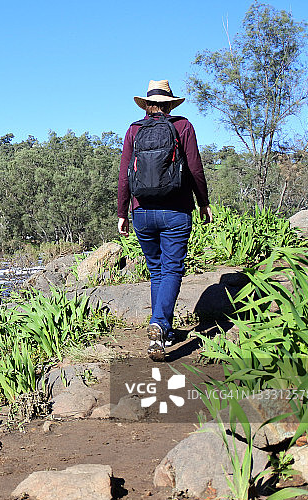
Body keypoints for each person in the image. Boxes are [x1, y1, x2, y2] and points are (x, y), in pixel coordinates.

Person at [117, 79, 212, 361]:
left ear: (146, 105)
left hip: (142, 212)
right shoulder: (182, 126)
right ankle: (159, 324)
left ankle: (164, 329)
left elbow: (124, 175)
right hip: (176, 211)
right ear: (171, 103)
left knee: (156, 270)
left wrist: (123, 212)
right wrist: (203, 202)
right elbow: (194, 168)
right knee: (171, 270)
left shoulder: (134, 129)